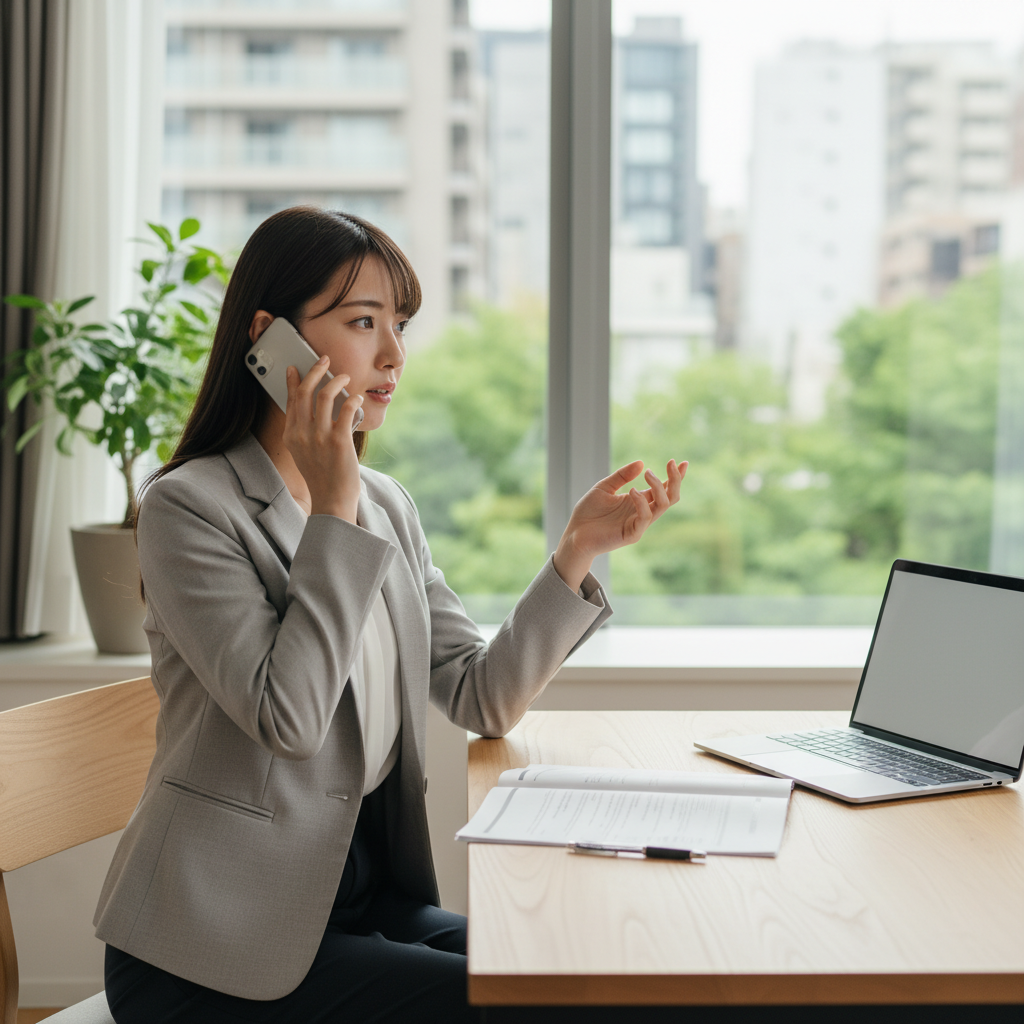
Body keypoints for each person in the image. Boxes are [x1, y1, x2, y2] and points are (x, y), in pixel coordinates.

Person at [95, 207, 686, 1023]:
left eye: (399, 324)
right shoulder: (189, 509)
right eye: (362, 321)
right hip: (210, 946)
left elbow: (482, 696)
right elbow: (290, 716)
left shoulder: (386, 506)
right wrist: (333, 508)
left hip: (356, 903)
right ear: (270, 338)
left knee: (593, 978)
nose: (393, 356)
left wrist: (574, 555)